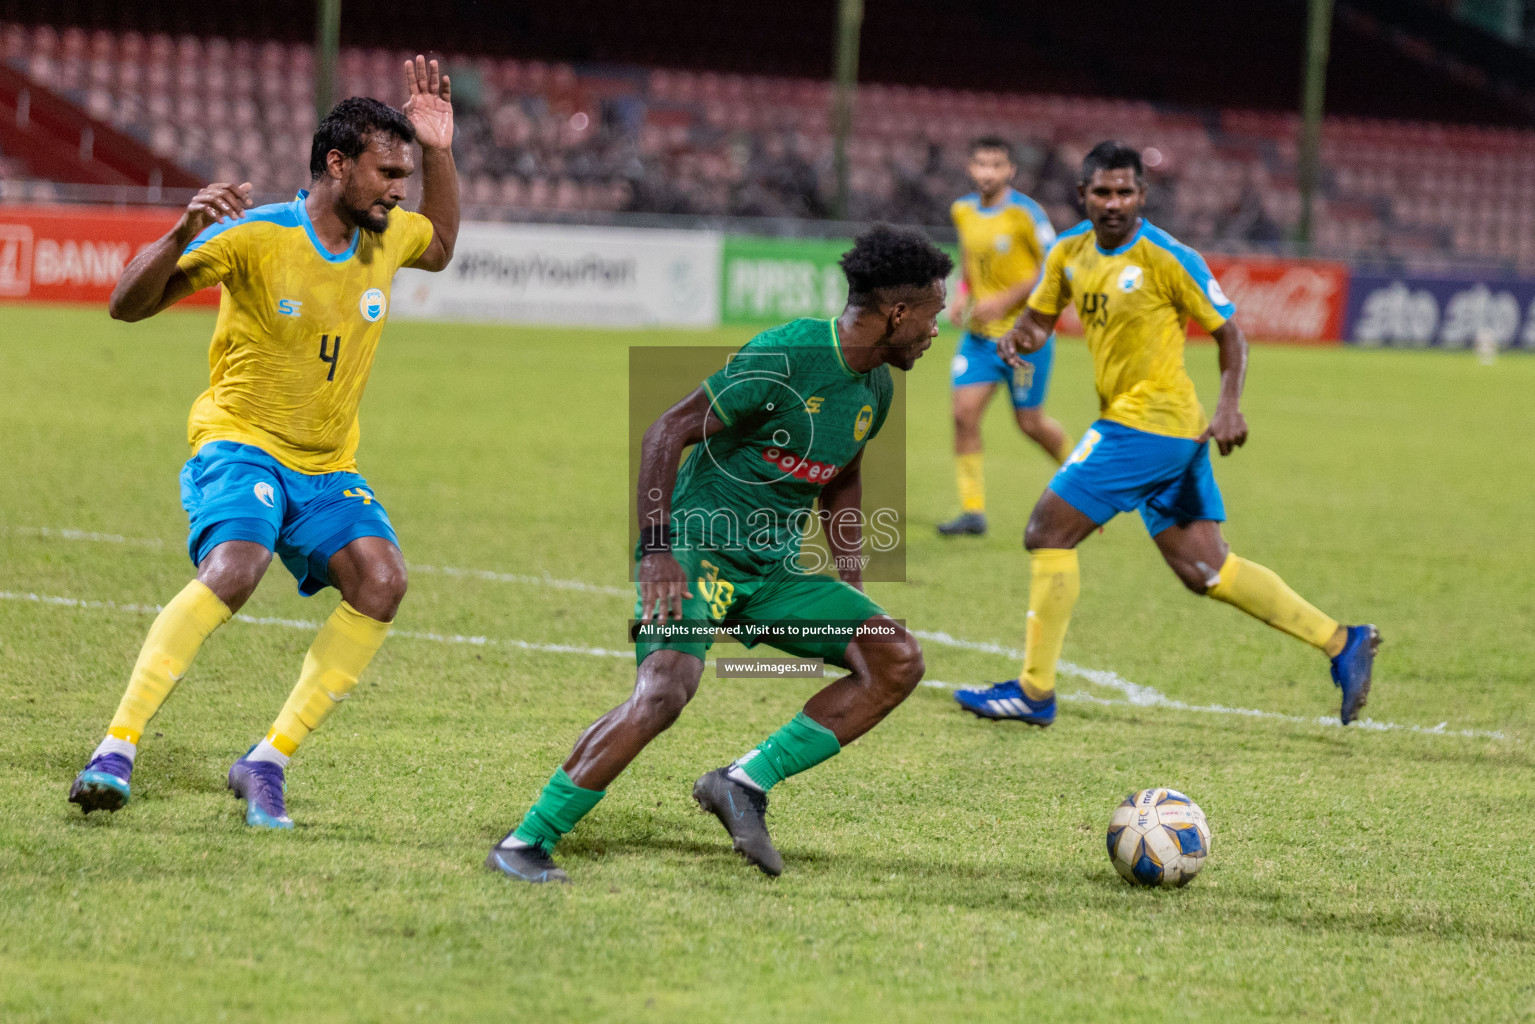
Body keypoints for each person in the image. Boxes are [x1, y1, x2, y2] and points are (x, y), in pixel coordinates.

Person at [487, 225, 950, 883]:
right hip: (696, 556)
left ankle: (741, 783)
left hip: (771, 575)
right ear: (898, 313)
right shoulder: (787, 355)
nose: (935, 331)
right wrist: (656, 551)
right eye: (932, 316)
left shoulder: (874, 386)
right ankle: (525, 840)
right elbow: (667, 430)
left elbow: (840, 476)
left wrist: (850, 577)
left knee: (893, 658)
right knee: (664, 692)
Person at [68, 59, 460, 828]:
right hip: (239, 443)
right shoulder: (256, 235)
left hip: (324, 465)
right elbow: (124, 304)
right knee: (236, 567)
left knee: (382, 582)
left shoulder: (386, 238)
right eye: (387, 173)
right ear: (337, 164)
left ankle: (265, 761)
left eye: (405, 175)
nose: (398, 190)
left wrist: (439, 148)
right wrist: (182, 231)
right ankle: (115, 748)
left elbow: (442, 243)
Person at [954, 142, 1379, 727]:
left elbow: (1231, 334)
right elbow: (1039, 319)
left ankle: (1033, 691)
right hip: (1161, 433)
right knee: (1206, 569)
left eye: (1125, 191)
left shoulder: (1167, 256)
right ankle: (1342, 641)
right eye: (1102, 192)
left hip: (1148, 426)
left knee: (1046, 531)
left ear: (1141, 196)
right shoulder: (1068, 254)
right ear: (1083, 196)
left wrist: (1229, 404)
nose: (1113, 202)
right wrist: (1019, 338)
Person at [938, 136, 1071, 537]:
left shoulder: (1027, 214)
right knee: (963, 415)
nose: (987, 172)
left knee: (1030, 423)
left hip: (1025, 339)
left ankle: (1083, 484)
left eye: (996, 165)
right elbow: (970, 265)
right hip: (980, 339)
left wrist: (1004, 300)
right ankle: (973, 512)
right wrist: (961, 294)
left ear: (1010, 170)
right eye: (981, 164)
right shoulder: (962, 210)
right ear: (970, 167)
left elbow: (1053, 265)